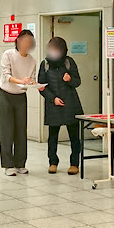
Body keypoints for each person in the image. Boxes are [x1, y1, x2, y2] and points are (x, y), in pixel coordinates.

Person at [38, 37, 83, 175]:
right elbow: (41, 86)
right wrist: (53, 99)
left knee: (74, 136)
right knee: (53, 136)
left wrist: (70, 79)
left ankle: (74, 164)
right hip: (54, 105)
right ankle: (53, 162)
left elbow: (78, 81)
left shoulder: (69, 62)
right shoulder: (44, 64)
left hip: (70, 103)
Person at [0, 30, 40, 176]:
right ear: (18, 41)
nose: (27, 44)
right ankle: (8, 165)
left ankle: (20, 163)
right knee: (6, 131)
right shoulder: (8, 54)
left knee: (21, 131)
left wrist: (35, 84)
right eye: (25, 41)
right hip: (5, 95)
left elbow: (32, 78)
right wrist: (21, 80)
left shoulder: (32, 60)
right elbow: (7, 76)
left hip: (21, 96)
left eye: (30, 42)